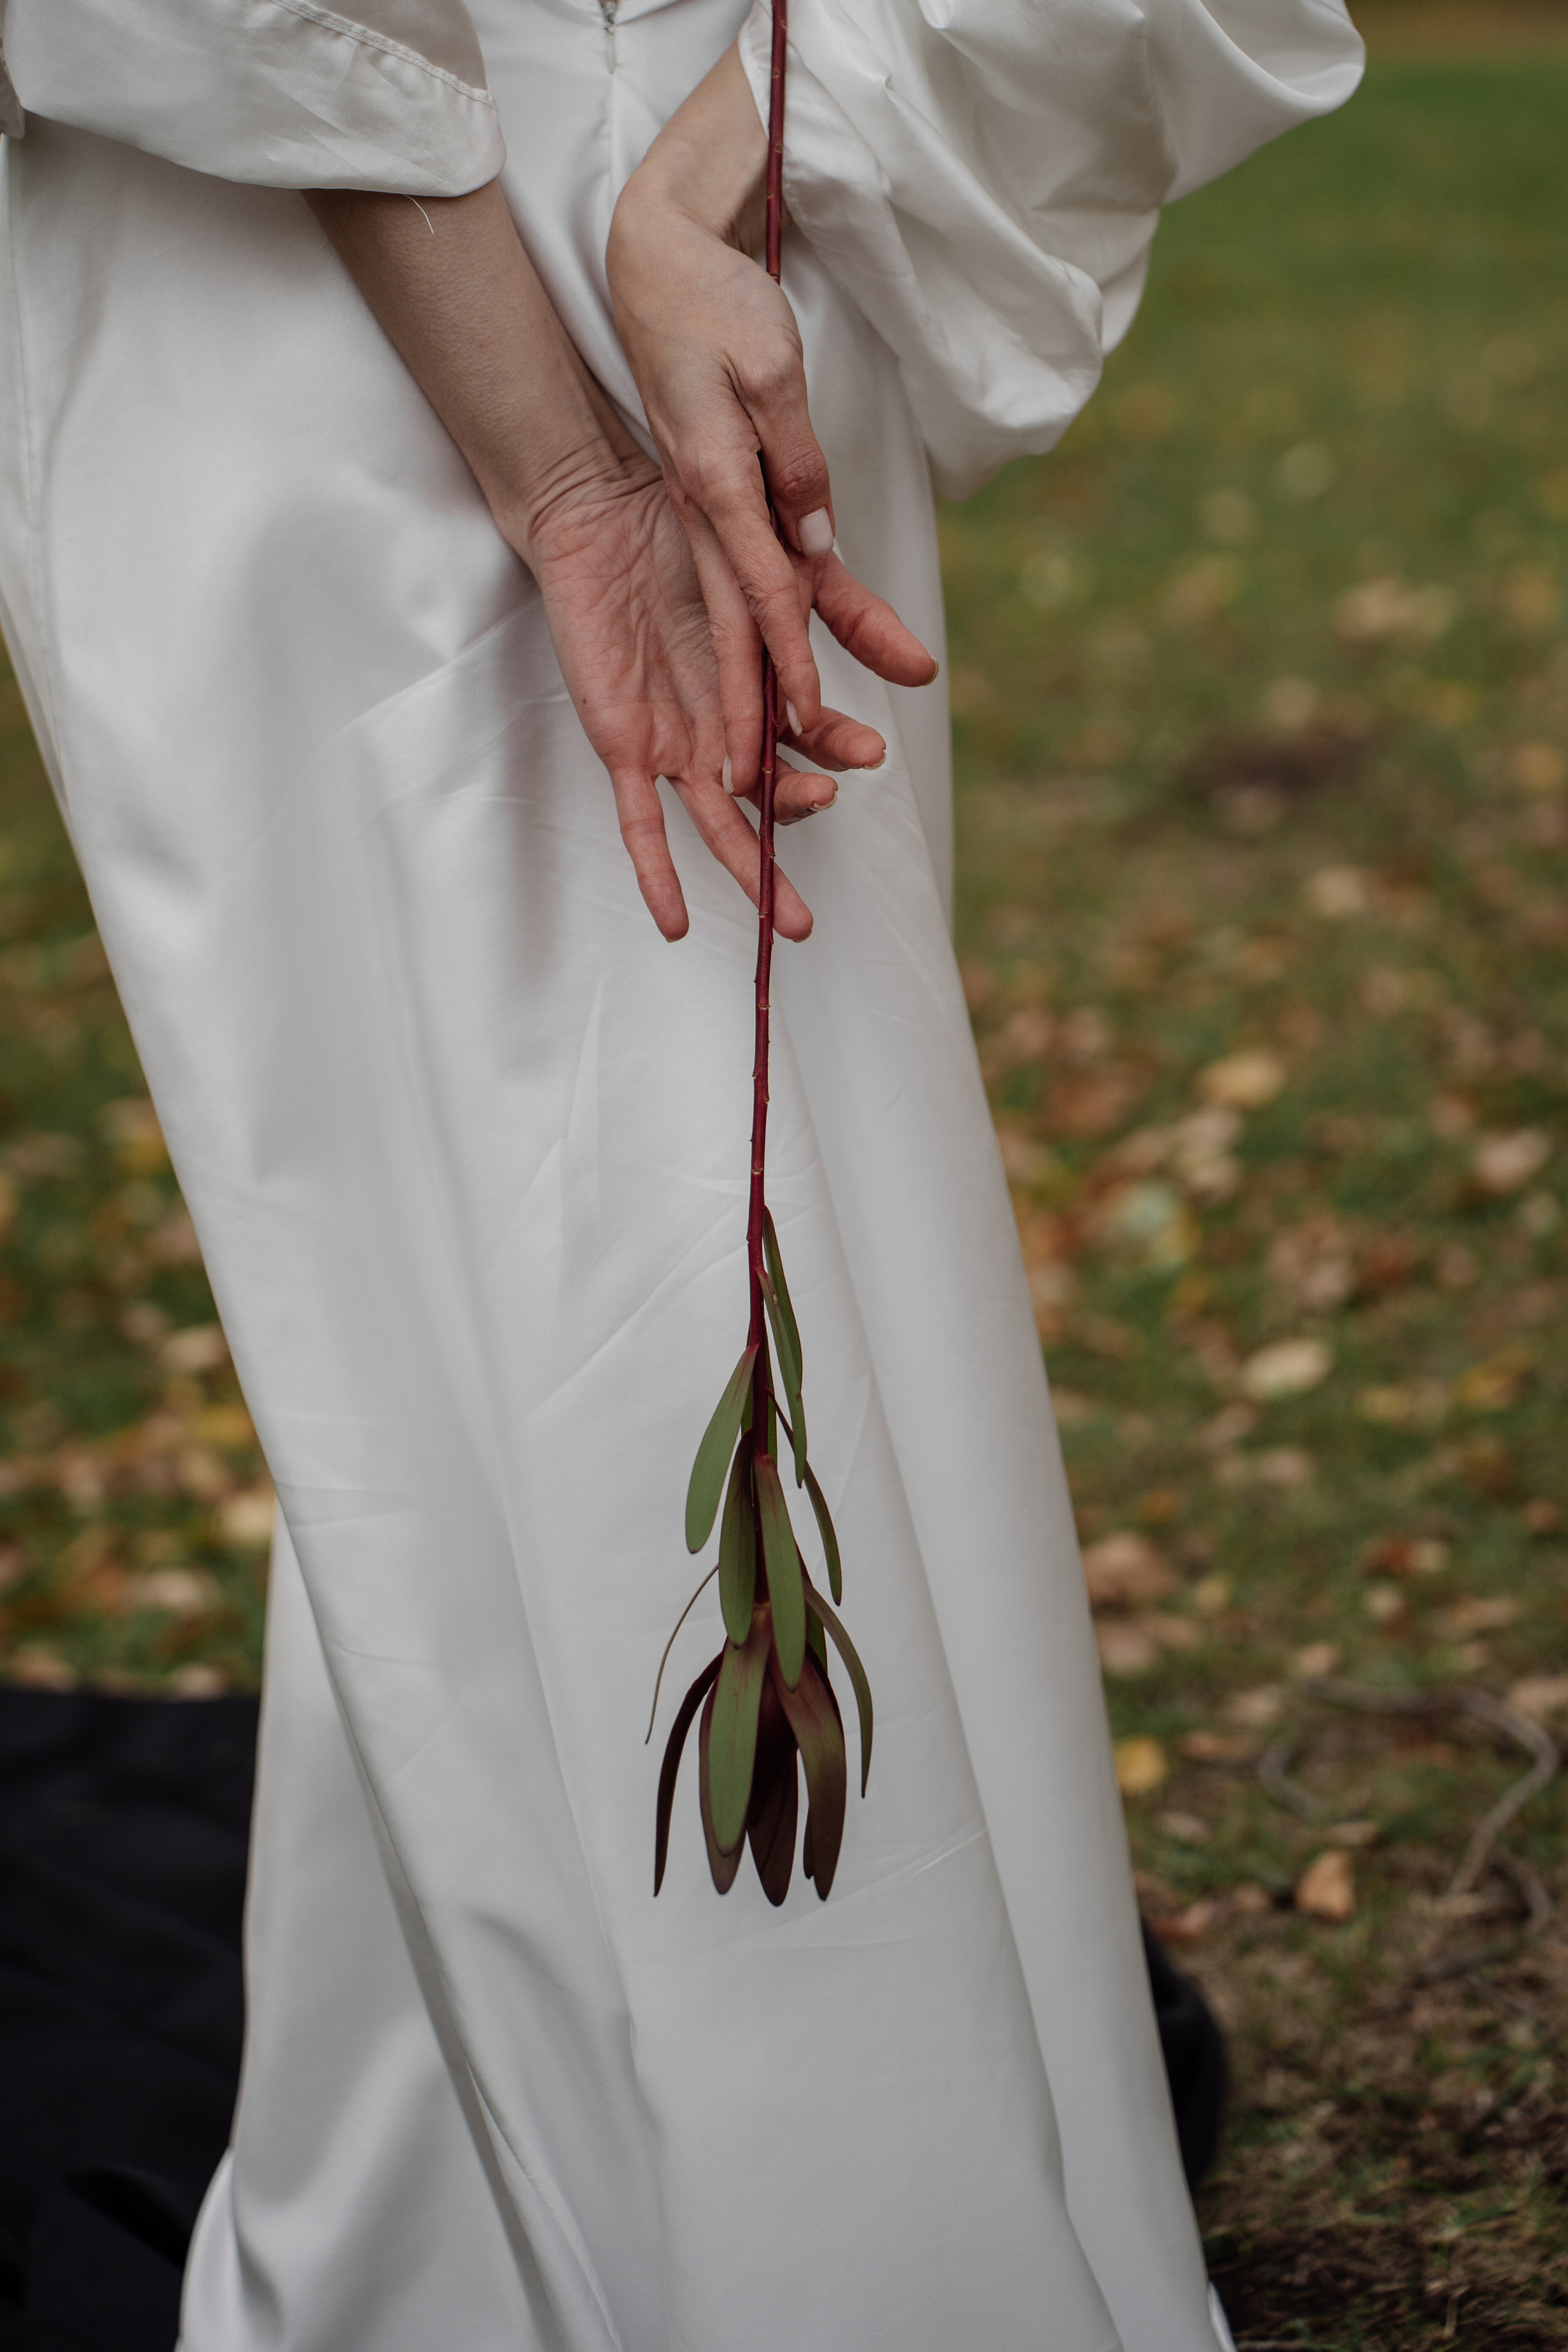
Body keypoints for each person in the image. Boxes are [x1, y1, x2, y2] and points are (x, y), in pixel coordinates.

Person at [0, 1, 1362, 2343]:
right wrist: (685, 236)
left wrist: (645, 299)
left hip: (543, 310)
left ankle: (769, 2239)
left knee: (597, 1348)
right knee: (474, 1386)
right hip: (469, 305)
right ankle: (559, 2208)